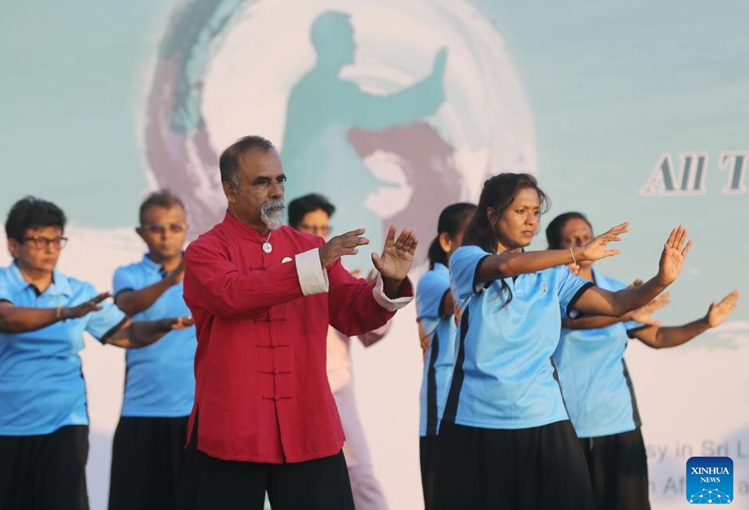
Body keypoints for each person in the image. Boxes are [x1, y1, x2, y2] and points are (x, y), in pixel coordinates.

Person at [178, 135, 417, 510]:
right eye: (262, 182)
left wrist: (389, 281)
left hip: (308, 426)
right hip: (233, 430)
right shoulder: (204, 251)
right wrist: (313, 264)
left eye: (281, 180)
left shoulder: (309, 248)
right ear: (230, 190)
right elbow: (233, 295)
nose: (276, 191)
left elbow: (355, 314)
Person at [432, 173, 692, 510]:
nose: (530, 220)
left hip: (544, 417)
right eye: (520, 210)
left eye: (536, 212)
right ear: (493, 215)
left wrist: (661, 280)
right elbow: (508, 264)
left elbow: (616, 304)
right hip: (477, 418)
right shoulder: (467, 258)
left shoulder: (553, 274)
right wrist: (575, 253)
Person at [0, 196, 193, 510]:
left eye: (57, 240)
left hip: (65, 422)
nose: (50, 248)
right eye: (38, 240)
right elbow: (3, 318)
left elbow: (125, 333)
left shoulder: (79, 292)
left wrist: (164, 325)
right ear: (13, 245)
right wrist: (63, 313)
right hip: (3, 426)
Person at [546, 211, 739, 510]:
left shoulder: (617, 291)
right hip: (565, 427)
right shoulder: (549, 288)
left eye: (585, 236)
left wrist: (705, 323)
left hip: (617, 423)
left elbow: (659, 338)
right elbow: (573, 323)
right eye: (571, 240)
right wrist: (625, 311)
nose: (582, 243)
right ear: (555, 247)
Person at [281, 10, 446, 263]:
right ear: (330, 42)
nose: (354, 43)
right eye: (348, 36)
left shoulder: (312, 87)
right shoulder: (324, 88)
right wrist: (431, 89)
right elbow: (380, 112)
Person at [288, 193, 390, 510]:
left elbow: (371, 334)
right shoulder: (282, 276)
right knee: (296, 480)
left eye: (323, 227)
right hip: (292, 392)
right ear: (292, 229)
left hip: (336, 391)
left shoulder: (341, 275)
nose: (318, 235)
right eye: (310, 227)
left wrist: (377, 295)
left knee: (359, 473)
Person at [107, 190, 197, 510]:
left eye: (175, 227)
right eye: (157, 228)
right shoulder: (128, 274)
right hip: (141, 412)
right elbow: (126, 305)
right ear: (141, 232)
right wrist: (173, 279)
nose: (167, 236)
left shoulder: (205, 271)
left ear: (187, 229)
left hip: (194, 415)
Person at [414, 202, 475, 509]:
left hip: (480, 414)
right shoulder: (432, 281)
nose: (480, 245)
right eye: (472, 236)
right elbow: (455, 301)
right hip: (442, 418)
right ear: (446, 241)